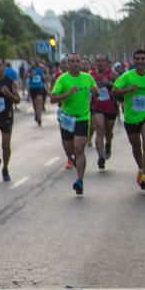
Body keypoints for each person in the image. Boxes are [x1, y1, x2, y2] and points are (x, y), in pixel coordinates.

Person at [49, 53, 95, 196]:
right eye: (72, 61)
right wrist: (68, 93)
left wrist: (96, 91)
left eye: (77, 61)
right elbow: (53, 99)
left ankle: (79, 181)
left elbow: (97, 92)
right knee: (70, 151)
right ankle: (73, 159)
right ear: (68, 64)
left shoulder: (87, 77)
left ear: (81, 62)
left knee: (79, 148)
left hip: (82, 117)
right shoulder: (62, 79)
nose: (75, 64)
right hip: (67, 119)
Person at [111, 49, 145, 190]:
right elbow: (113, 92)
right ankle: (141, 169)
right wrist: (127, 90)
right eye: (137, 58)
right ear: (134, 60)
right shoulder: (127, 77)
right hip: (131, 118)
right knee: (136, 147)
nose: (140, 61)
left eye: (142, 59)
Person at [90, 53, 119, 170]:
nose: (100, 63)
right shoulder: (90, 76)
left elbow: (120, 88)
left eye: (102, 61)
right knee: (100, 130)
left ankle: (108, 144)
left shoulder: (112, 74)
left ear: (106, 63)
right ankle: (101, 157)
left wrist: (109, 84)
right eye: (98, 61)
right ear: (95, 63)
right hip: (96, 106)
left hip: (110, 107)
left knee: (108, 132)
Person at [27, 60, 48, 126]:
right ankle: (36, 113)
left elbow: (45, 78)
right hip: (32, 87)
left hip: (39, 87)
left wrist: (47, 86)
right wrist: (30, 74)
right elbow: (25, 76)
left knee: (39, 102)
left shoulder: (41, 69)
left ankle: (39, 118)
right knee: (34, 103)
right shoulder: (30, 69)